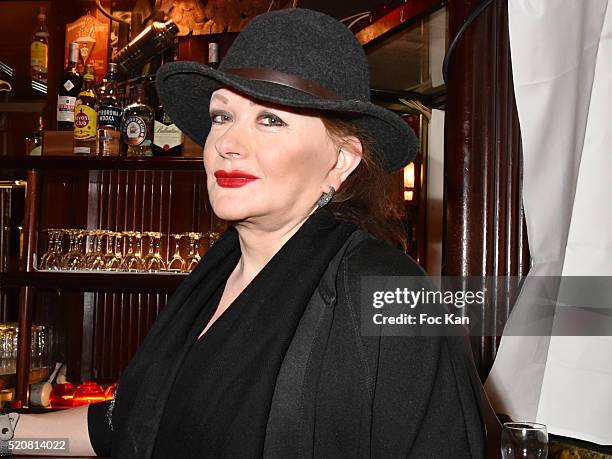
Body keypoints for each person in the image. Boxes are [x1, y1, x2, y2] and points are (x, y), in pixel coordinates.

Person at [6, 8, 487, 458]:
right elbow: (124, 424)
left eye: (271, 119)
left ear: (341, 161)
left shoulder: (396, 291)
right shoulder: (216, 272)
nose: (228, 144)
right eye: (223, 116)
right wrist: (9, 435)